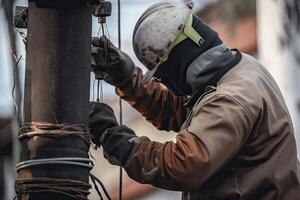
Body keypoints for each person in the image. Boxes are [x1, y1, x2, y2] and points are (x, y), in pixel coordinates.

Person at [90, 2, 300, 199]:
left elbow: (184, 165)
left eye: (162, 74)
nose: (164, 80)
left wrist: (115, 139)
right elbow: (178, 111)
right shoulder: (240, 69)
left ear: (178, 62)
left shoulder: (230, 99)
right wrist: (127, 81)